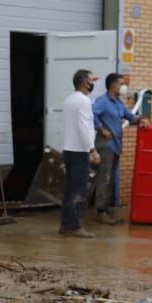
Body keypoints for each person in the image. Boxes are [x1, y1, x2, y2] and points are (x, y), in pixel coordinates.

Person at [91, 72, 145, 223]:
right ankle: (100, 212)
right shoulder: (103, 101)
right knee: (104, 178)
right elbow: (91, 114)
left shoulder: (119, 103)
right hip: (105, 145)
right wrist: (101, 129)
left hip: (116, 145)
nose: (123, 87)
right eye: (121, 84)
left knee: (111, 179)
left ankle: (106, 210)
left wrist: (141, 119)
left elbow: (130, 117)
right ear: (112, 85)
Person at [59, 68, 97, 238]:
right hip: (80, 151)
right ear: (84, 83)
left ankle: (65, 225)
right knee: (80, 190)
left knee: (69, 190)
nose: (92, 83)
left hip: (68, 150)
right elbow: (84, 127)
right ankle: (74, 226)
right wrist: (92, 149)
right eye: (91, 80)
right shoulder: (83, 101)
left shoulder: (69, 100)